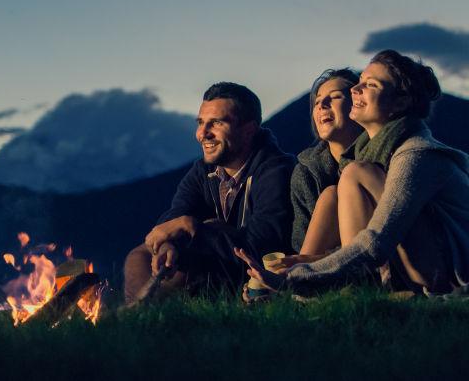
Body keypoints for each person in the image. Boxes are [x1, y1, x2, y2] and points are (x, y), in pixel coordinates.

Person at [237, 50, 469, 296]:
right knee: (334, 191)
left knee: (354, 174)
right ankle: (316, 291)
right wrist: (303, 263)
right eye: (359, 83)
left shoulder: (415, 154)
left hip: (448, 275)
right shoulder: (369, 157)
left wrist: (295, 277)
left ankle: (350, 288)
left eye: (370, 85)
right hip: (417, 263)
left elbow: (376, 241)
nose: (356, 89)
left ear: (401, 102)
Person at [123, 82, 295, 304]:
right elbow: (174, 216)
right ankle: (139, 315)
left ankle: (146, 315)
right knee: (140, 256)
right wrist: (168, 243)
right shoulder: (204, 171)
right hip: (216, 265)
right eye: (201, 123)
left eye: (216, 123)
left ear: (248, 130)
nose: (202, 134)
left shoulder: (275, 170)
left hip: (255, 278)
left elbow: (261, 245)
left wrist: (194, 228)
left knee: (203, 239)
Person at [290, 68, 363, 254]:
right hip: (317, 264)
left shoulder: (377, 160)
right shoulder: (306, 170)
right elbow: (301, 241)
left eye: (336, 97)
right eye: (317, 101)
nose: (322, 104)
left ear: (359, 105)